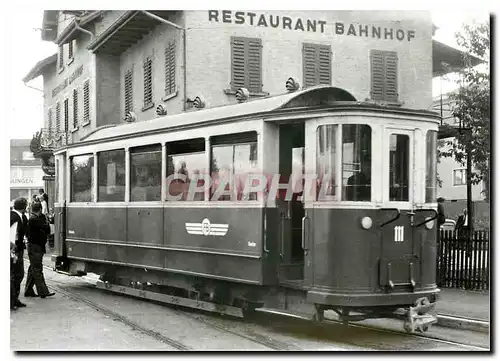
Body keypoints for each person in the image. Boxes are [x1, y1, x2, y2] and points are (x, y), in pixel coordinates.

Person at [24, 202, 55, 299]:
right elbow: (47, 229)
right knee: (37, 269)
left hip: (36, 247)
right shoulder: (34, 220)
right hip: (36, 247)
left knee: (33, 268)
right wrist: (47, 222)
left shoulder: (34, 218)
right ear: (40, 209)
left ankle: (28, 290)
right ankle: (43, 291)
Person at [10, 197, 29, 310]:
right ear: (24, 207)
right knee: (16, 274)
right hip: (14, 250)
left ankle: (14, 299)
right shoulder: (13, 217)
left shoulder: (20, 216)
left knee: (18, 274)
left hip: (18, 249)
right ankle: (12, 300)